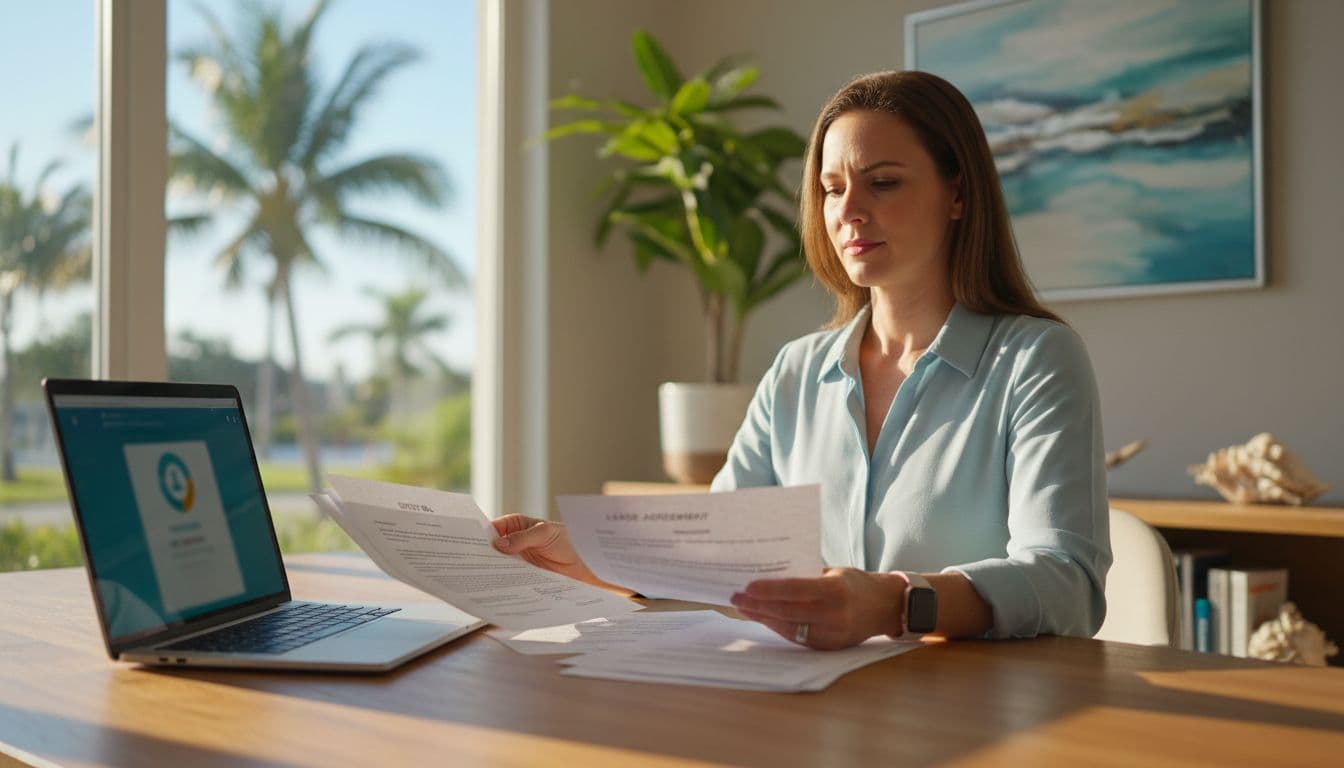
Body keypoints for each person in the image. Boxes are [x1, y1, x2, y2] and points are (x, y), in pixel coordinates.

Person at [492, 70, 1111, 650]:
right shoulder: (795, 370)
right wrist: (592, 558)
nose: (848, 212)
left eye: (884, 182)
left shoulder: (1034, 359)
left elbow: (1067, 584)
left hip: (975, 717)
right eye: (832, 189)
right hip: (811, 713)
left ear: (958, 195)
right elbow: (717, 557)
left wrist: (896, 603)